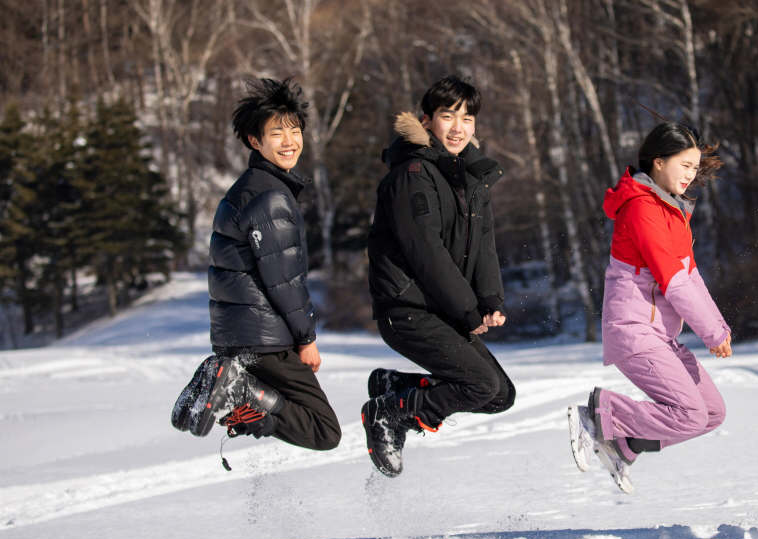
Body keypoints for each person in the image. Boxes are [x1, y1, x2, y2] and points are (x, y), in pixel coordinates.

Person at [173, 77, 341, 451]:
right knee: (323, 431)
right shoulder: (270, 198)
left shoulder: (248, 188)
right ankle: (241, 390)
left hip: (241, 337)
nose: (289, 141)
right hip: (266, 338)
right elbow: (283, 282)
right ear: (255, 141)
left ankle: (242, 399)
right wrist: (306, 338)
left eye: (294, 131)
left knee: (297, 420)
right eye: (277, 133)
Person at [568, 121, 733, 494]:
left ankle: (621, 444)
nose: (691, 175)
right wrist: (710, 332)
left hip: (659, 334)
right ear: (658, 162)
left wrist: (718, 328)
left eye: (695, 167)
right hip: (633, 330)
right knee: (690, 415)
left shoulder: (673, 212)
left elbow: (690, 277)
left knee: (710, 413)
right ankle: (601, 413)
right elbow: (672, 280)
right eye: (684, 165)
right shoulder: (642, 208)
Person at [363, 75, 515, 478]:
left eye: (467, 118)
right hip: (408, 308)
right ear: (427, 120)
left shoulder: (470, 178)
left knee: (500, 395)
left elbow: (484, 245)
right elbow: (425, 252)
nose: (458, 127)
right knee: (480, 385)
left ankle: (395, 387)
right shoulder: (413, 173)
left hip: (441, 310)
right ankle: (387, 413)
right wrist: (467, 312)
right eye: (448, 116)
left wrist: (490, 301)